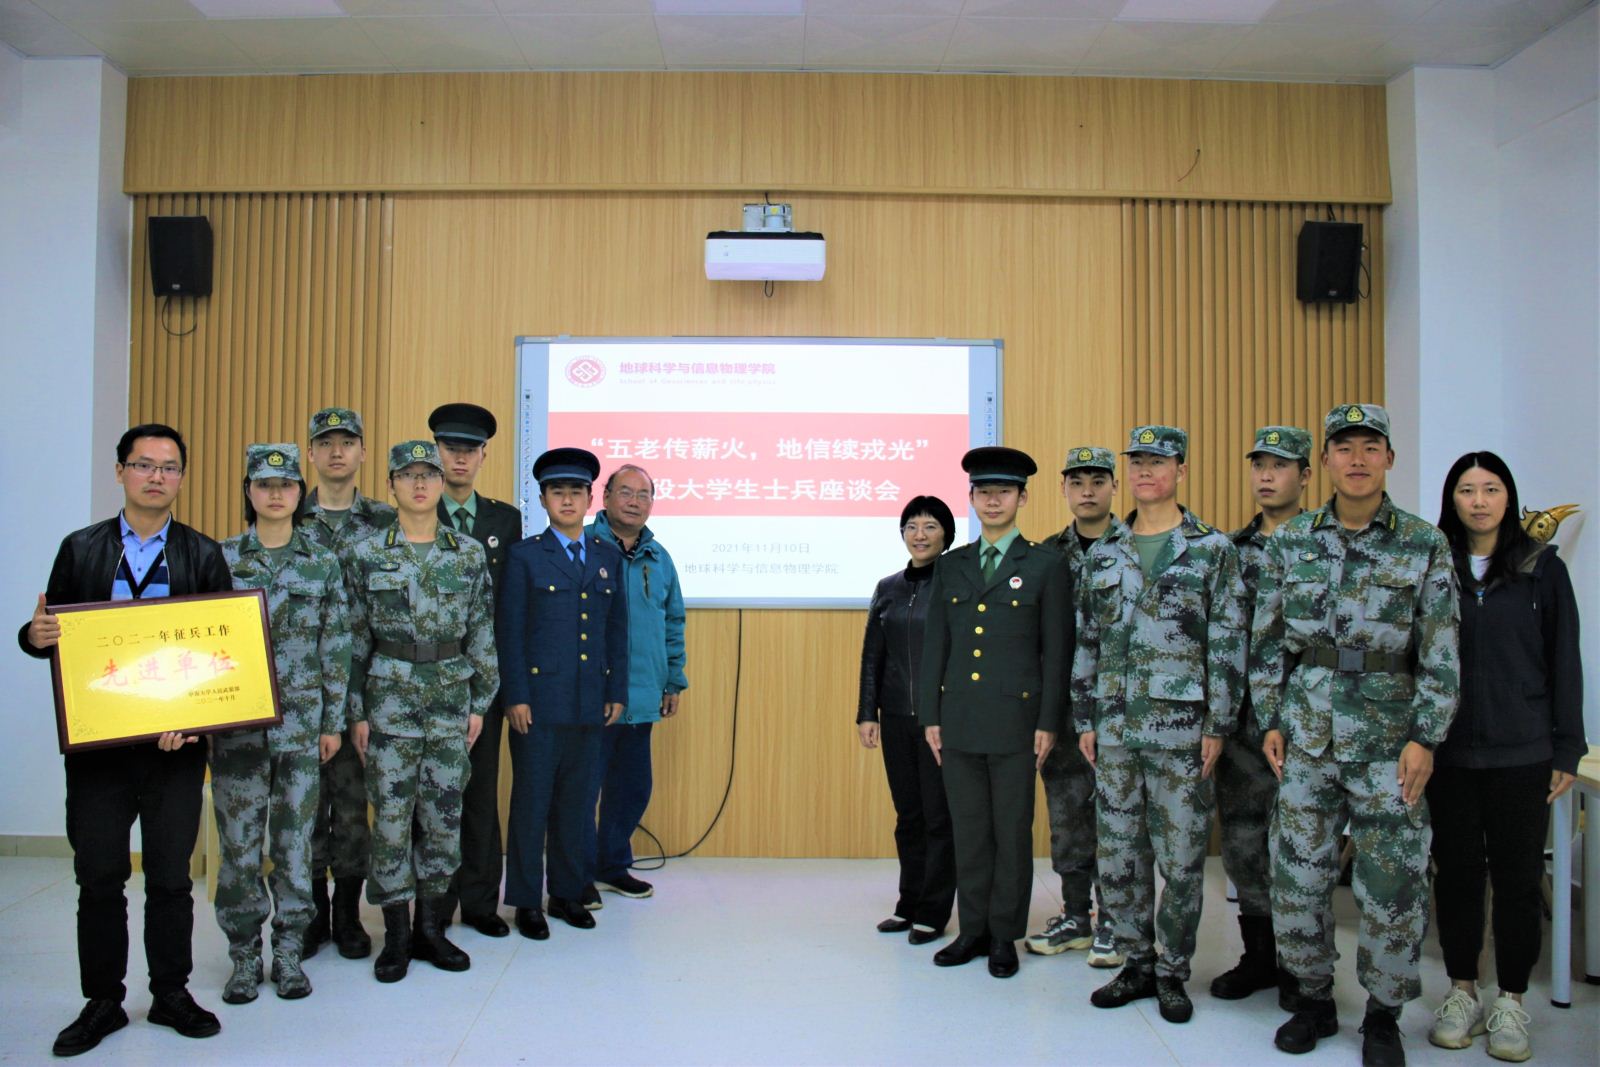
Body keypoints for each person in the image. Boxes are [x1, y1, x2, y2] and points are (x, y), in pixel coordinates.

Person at [1252, 404, 1460, 1066]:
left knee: (1392, 883)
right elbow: (1267, 641)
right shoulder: (1291, 541)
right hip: (1307, 734)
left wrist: (1426, 735)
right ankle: (1312, 999)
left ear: (1389, 458)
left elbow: (1442, 650)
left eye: (1372, 447)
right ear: (1326, 462)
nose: (1358, 459)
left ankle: (1382, 1014)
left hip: (1389, 740)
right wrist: (1271, 717)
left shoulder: (1423, 543)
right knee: (1299, 875)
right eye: (1345, 448)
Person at [19, 424, 230, 1056]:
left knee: (170, 877)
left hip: (173, 749)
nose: (156, 476)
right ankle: (103, 1001)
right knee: (100, 877)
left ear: (181, 478)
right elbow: (51, 633)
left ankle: (170, 993)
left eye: (169, 467)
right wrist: (33, 636)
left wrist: (193, 719)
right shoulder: (81, 549)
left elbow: (222, 654)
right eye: (143, 465)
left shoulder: (202, 554)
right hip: (99, 752)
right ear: (120, 472)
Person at [1074, 425, 1246, 1025]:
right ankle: (1136, 963)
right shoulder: (1104, 552)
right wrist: (1084, 715)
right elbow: (1088, 641)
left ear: (1181, 470)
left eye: (1159, 461)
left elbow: (1227, 641)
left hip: (1182, 731)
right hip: (1116, 728)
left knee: (1181, 858)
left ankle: (1173, 970)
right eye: (1138, 462)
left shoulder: (1212, 549)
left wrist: (1218, 723)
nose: (1146, 471)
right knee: (1119, 853)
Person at [1425, 451, 1585, 1063]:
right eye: (1467, 490)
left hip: (1524, 752)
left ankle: (1512, 999)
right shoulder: (1434, 564)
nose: (1480, 501)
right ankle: (1462, 991)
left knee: (1518, 880)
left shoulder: (1542, 567)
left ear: (1509, 498)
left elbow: (1565, 659)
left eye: (1491, 489)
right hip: (1450, 752)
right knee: (1457, 875)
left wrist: (1567, 745)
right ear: (1453, 499)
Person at [343, 440, 499, 983]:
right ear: (390, 485)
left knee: (443, 820)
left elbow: (482, 631)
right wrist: (357, 711)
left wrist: (480, 702)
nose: (419, 484)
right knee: (390, 821)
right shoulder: (365, 553)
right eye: (407, 475)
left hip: (451, 700)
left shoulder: (468, 553)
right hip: (389, 701)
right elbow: (353, 639)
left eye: (428, 475)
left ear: (440, 483)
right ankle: (396, 936)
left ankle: (431, 929)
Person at [919, 446, 1071, 980]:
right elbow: (935, 646)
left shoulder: (1046, 565)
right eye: (984, 492)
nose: (993, 500)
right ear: (971, 498)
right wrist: (930, 715)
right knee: (969, 831)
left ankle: (1004, 933)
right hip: (959, 720)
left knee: (1011, 832)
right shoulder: (952, 565)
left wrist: (1048, 721)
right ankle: (973, 929)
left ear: (1022, 498)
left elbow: (1056, 653)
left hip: (1016, 724)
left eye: (1004, 492)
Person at [212, 444, 351, 1004]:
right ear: (248, 491)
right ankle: (244, 955)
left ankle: (290, 949)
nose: (275, 494)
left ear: (300, 492)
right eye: (264, 485)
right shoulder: (221, 559)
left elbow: (335, 645)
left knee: (295, 846)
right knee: (239, 847)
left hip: (301, 728)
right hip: (236, 729)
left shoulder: (321, 560)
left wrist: (332, 722)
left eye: (286, 485)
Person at [496, 447, 629, 941]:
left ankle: (568, 893)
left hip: (589, 702)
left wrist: (616, 689)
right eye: (558, 492)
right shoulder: (525, 556)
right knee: (531, 804)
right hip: (538, 704)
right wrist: (515, 695)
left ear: (591, 498)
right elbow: (509, 632)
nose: (567, 500)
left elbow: (617, 631)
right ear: (543, 500)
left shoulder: (606, 557)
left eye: (576, 491)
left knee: (577, 804)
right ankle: (526, 900)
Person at [1211, 426, 1313, 1006]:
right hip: (1245, 722)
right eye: (1259, 465)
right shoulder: (1231, 550)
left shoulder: (1325, 544)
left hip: (1311, 719)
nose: (1267, 476)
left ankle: (1303, 967)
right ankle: (1260, 958)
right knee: (1244, 839)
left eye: (1280, 465)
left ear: (1306, 475)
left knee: (1303, 844)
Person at [301, 406, 396, 961]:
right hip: (302, 690)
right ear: (310, 453)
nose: (336, 452)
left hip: (368, 690)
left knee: (356, 807)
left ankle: (348, 915)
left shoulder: (385, 520)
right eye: (325, 442)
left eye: (347, 442)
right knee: (307, 806)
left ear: (363, 452)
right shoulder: (288, 513)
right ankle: (313, 912)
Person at [428, 403, 524, 938]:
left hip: (483, 682)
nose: (460, 459)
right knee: (433, 796)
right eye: (450, 449)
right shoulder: (416, 512)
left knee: (481, 792)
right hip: (425, 681)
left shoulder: (504, 520)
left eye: (470, 450)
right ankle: (435, 904)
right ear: (436, 452)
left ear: (484, 455)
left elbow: (510, 608)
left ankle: (482, 901)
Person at [1029, 446, 1123, 967]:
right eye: (1077, 482)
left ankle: (1115, 920)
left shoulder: (1136, 547)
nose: (1087, 491)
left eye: (1097, 481)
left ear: (1114, 487)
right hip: (1063, 710)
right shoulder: (1047, 555)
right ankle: (1075, 915)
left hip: (1120, 708)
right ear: (1063, 489)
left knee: (1118, 816)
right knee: (1066, 814)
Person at [584, 463, 687, 905]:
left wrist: (673, 680)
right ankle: (577, 872)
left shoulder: (659, 558)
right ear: (605, 497)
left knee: (632, 788)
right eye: (625, 492)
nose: (634, 501)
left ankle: (612, 866)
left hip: (642, 692)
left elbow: (673, 622)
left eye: (643, 495)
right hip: (590, 694)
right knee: (582, 788)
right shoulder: (582, 546)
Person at [857, 495, 957, 945]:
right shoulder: (888, 587)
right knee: (908, 816)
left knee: (939, 818)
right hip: (896, 716)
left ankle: (934, 911)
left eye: (930, 526)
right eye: (912, 526)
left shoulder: (955, 584)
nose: (920, 535)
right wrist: (867, 712)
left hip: (941, 720)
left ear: (946, 535)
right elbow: (872, 656)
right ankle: (908, 904)